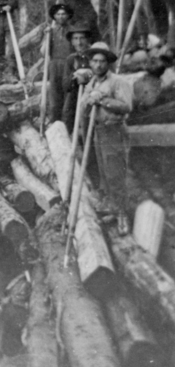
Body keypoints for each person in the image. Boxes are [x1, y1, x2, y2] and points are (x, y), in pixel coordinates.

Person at [81, 42, 133, 234]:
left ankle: (123, 216)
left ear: (108, 63)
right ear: (91, 63)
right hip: (99, 132)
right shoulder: (92, 83)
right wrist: (89, 99)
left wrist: (102, 99)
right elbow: (84, 107)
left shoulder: (118, 82)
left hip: (114, 131)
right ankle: (113, 209)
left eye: (102, 61)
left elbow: (126, 106)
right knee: (104, 175)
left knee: (115, 174)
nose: (98, 65)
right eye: (95, 61)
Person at [46, 4, 77, 124]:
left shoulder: (73, 30)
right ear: (54, 16)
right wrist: (46, 37)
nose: (61, 17)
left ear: (68, 16)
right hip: (54, 65)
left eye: (63, 14)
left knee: (68, 99)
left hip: (68, 65)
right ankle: (54, 125)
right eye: (58, 14)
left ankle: (67, 126)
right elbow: (44, 52)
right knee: (54, 99)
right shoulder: (51, 31)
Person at [62, 24, 93, 132]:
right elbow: (65, 85)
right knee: (67, 112)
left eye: (82, 38)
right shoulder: (71, 59)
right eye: (75, 39)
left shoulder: (96, 56)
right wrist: (74, 76)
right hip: (76, 94)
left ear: (88, 39)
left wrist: (88, 76)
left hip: (93, 94)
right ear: (72, 42)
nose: (79, 42)